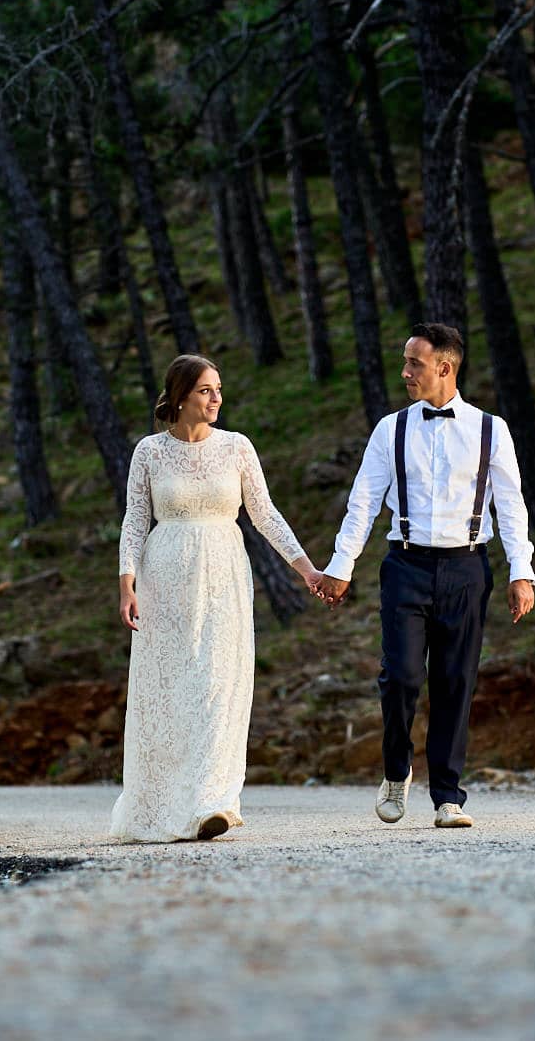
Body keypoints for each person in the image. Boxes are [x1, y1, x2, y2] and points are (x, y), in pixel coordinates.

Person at [317, 324, 535, 829]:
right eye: (405, 361)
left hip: (467, 567)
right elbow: (364, 503)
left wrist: (521, 573)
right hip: (406, 565)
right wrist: (340, 567)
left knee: (456, 682)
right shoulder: (390, 429)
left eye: (414, 363)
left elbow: (512, 505)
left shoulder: (490, 429)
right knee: (402, 677)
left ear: (445, 367)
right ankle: (397, 772)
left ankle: (447, 797)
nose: (405, 372)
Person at [112, 354, 323, 843]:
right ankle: (162, 803)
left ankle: (213, 803)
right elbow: (135, 520)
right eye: (207, 391)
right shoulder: (149, 452)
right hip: (164, 578)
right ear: (182, 395)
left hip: (224, 574)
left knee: (217, 684)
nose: (216, 399)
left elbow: (265, 514)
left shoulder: (237, 448)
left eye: (219, 390)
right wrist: (127, 583)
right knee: (167, 692)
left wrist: (307, 569)